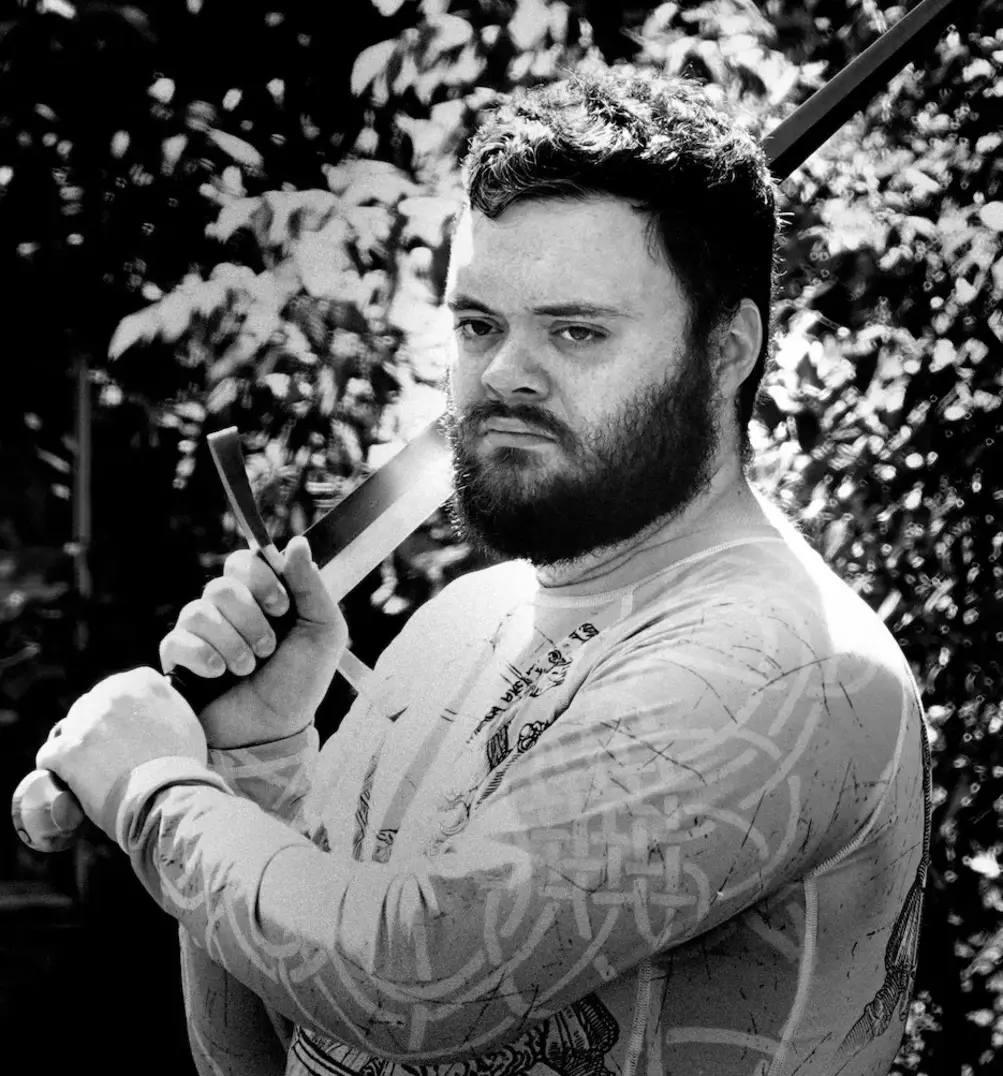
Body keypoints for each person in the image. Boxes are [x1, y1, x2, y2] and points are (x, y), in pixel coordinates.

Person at [37, 71, 931, 1076]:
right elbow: (270, 1050)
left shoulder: (778, 665)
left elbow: (407, 980)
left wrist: (157, 793)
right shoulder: (463, 623)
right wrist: (253, 761)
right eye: (477, 324)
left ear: (725, 350)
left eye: (575, 330)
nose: (505, 372)